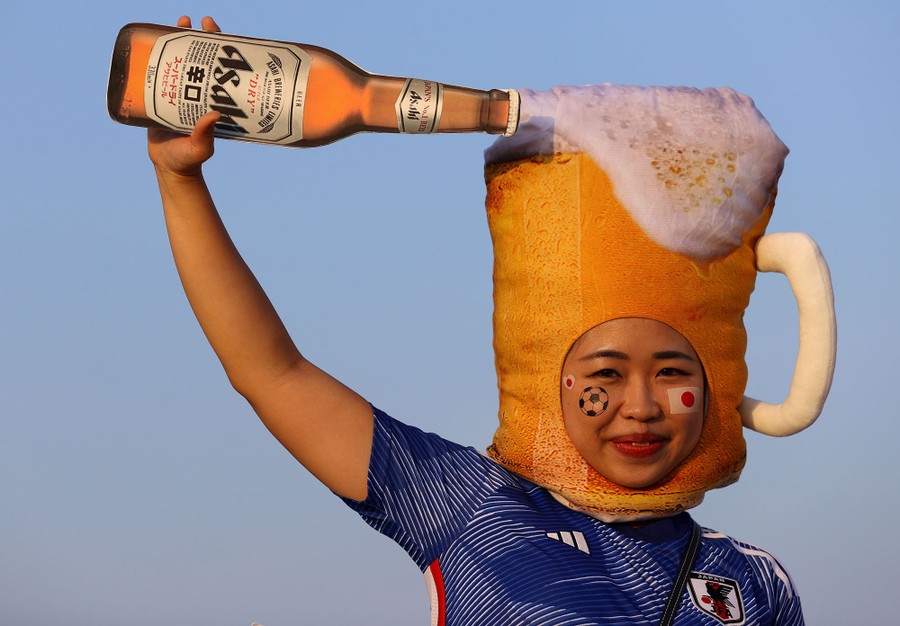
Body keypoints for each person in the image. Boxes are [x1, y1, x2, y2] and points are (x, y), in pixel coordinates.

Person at [148, 16, 836, 625]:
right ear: (551, 378)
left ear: (715, 381)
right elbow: (272, 374)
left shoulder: (754, 584)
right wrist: (180, 183)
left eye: (671, 373)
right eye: (604, 375)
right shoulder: (466, 504)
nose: (640, 407)